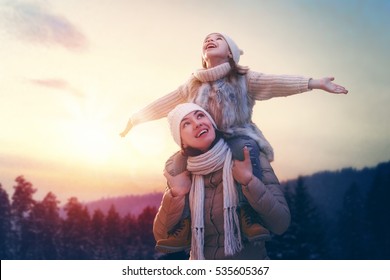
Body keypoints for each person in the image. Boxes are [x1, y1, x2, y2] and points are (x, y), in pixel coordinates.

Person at [120, 32, 348, 250]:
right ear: (202, 55)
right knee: (173, 165)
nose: (210, 40)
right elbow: (165, 102)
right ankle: (184, 226)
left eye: (218, 38)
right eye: (207, 40)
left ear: (230, 53)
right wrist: (135, 119)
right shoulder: (192, 84)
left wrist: (314, 83)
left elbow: (275, 82)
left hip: (238, 135)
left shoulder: (243, 78)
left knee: (246, 149)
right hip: (204, 143)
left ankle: (247, 213)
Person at [153, 103, 291, 260]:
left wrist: (249, 182)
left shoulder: (246, 157)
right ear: (182, 142)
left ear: (211, 122)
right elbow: (161, 236)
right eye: (186, 123)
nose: (197, 123)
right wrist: (175, 195)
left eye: (200, 116)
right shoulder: (181, 173)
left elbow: (281, 223)